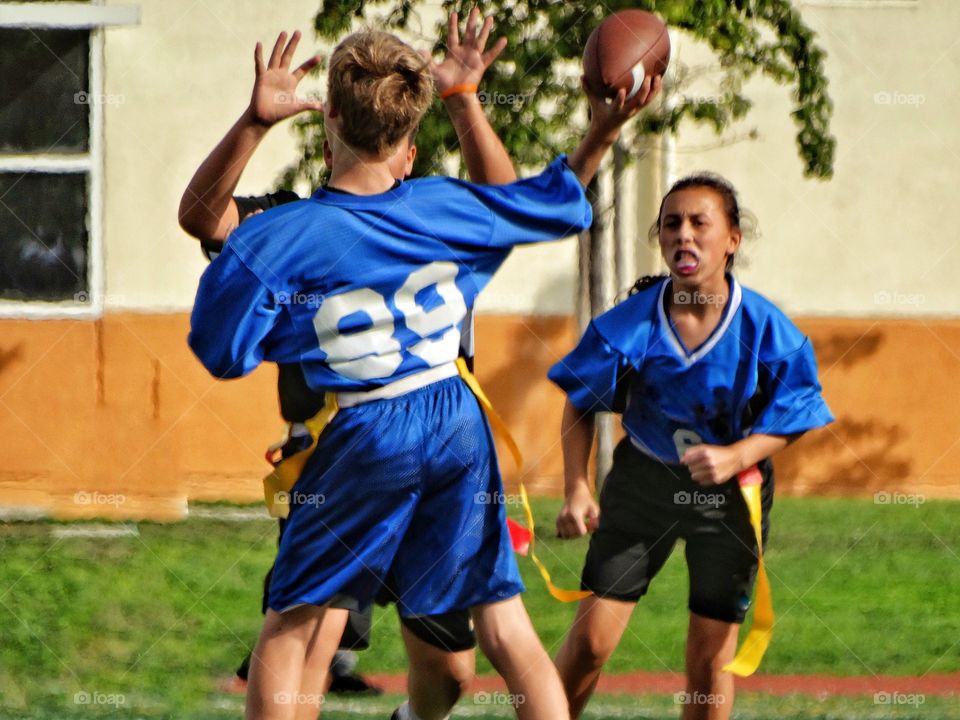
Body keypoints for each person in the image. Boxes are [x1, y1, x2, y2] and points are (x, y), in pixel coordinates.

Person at [188, 11, 661, 720]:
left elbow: (219, 348)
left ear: (326, 131)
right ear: (410, 145)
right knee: (504, 625)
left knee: (293, 622)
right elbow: (539, 204)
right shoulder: (441, 205)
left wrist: (255, 125)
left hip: (366, 430)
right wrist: (601, 128)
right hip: (455, 419)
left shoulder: (283, 235)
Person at [179, 15, 515, 718]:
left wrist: (466, 98)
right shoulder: (291, 228)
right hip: (341, 453)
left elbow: (504, 200)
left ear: (413, 156)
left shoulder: (434, 219)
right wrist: (252, 123)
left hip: (440, 459)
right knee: (309, 642)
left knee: (451, 671)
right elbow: (204, 218)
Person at [549, 173, 834, 719]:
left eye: (700, 223)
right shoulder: (630, 324)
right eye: (672, 223)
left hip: (730, 500)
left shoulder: (766, 328)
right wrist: (577, 488)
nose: (685, 235)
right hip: (643, 485)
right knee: (590, 644)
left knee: (709, 663)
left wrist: (739, 454)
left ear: (733, 239)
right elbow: (579, 402)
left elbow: (800, 411)